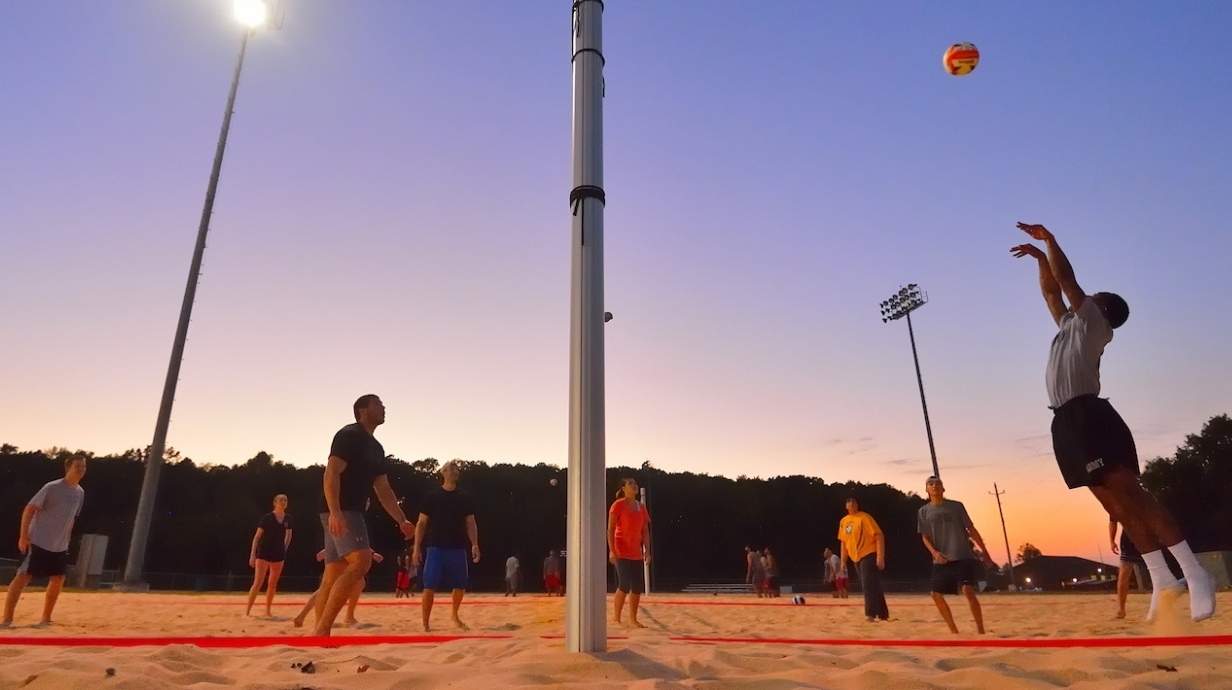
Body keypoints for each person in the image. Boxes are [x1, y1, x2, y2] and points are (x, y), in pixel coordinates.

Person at [1012, 223, 1215, 622]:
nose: (1083, 298)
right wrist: (1039, 260)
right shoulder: (1071, 325)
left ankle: (1195, 572)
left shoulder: (1094, 324)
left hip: (1091, 415)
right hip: (1065, 422)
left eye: (1092, 297)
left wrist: (1050, 241)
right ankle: (1162, 577)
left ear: (1101, 307)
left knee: (1133, 494)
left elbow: (1066, 281)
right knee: (1115, 505)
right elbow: (1053, 291)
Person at [312, 394, 416, 636]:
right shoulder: (348, 435)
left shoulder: (376, 448)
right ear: (362, 410)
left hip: (343, 510)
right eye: (378, 403)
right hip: (341, 509)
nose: (384, 407)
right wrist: (336, 513)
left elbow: (383, 488)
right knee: (362, 561)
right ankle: (323, 630)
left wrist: (401, 519)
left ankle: (319, 632)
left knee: (333, 572)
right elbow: (331, 474)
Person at [2, 454, 86, 628]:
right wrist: (24, 535)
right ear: (68, 468)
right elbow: (30, 509)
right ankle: (7, 619)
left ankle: (46, 618)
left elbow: (70, 520)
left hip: (59, 545)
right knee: (23, 577)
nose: (81, 470)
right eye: (78, 466)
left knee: (58, 578)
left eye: (84, 466)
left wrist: (67, 541)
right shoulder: (52, 487)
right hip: (38, 539)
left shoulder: (79, 492)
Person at [917, 476, 994, 634]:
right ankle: (954, 631)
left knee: (968, 590)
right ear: (927, 489)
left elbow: (971, 529)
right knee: (935, 594)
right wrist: (934, 552)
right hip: (941, 558)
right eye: (931, 484)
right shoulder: (923, 511)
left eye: (938, 484)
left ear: (943, 488)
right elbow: (924, 536)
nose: (935, 486)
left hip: (962, 554)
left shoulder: (956, 506)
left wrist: (985, 552)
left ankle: (981, 630)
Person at [413, 460, 480, 632]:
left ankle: (454, 615)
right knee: (429, 585)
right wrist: (416, 548)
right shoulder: (432, 496)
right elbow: (421, 524)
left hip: (457, 546)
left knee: (460, 584)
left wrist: (474, 544)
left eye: (456, 468)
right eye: (450, 468)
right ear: (442, 472)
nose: (454, 470)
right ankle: (425, 622)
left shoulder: (464, 497)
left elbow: (470, 522)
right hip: (435, 546)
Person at [294, 549, 384, 628]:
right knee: (354, 583)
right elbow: (352, 539)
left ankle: (303, 616)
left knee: (332, 586)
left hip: (339, 552)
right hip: (343, 553)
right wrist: (371, 553)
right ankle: (349, 617)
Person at [608, 478, 651, 627]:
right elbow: (610, 529)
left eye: (635, 483)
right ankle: (617, 618)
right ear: (623, 488)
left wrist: (647, 551)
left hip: (636, 552)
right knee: (624, 584)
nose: (634, 485)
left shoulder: (642, 507)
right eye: (630, 483)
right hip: (621, 550)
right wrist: (612, 551)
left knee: (637, 586)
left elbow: (645, 531)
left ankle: (633, 619)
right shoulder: (618, 505)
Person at [839, 496, 887, 622]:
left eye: (854, 501)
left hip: (868, 553)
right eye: (849, 502)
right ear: (845, 506)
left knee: (868, 585)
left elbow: (879, 536)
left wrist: (880, 556)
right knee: (872, 584)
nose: (852, 503)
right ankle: (883, 614)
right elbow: (844, 542)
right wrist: (843, 561)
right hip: (855, 556)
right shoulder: (844, 521)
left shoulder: (864, 517)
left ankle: (870, 614)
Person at [246, 494, 293, 617]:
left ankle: (268, 611)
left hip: (278, 554)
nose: (283, 502)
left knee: (272, 584)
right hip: (263, 552)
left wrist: (284, 548)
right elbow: (257, 537)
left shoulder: (288, 519)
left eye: (285, 500)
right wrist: (253, 554)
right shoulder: (267, 518)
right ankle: (247, 612)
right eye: (281, 500)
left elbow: (289, 535)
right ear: (275, 502)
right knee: (258, 582)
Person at [1110, 518, 1146, 619]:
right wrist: (1112, 541)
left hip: (1147, 536)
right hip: (1129, 539)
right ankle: (1121, 609)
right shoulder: (1119, 503)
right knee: (1124, 573)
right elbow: (1112, 520)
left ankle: (1121, 609)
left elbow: (1112, 521)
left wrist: (1112, 541)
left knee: (1125, 573)